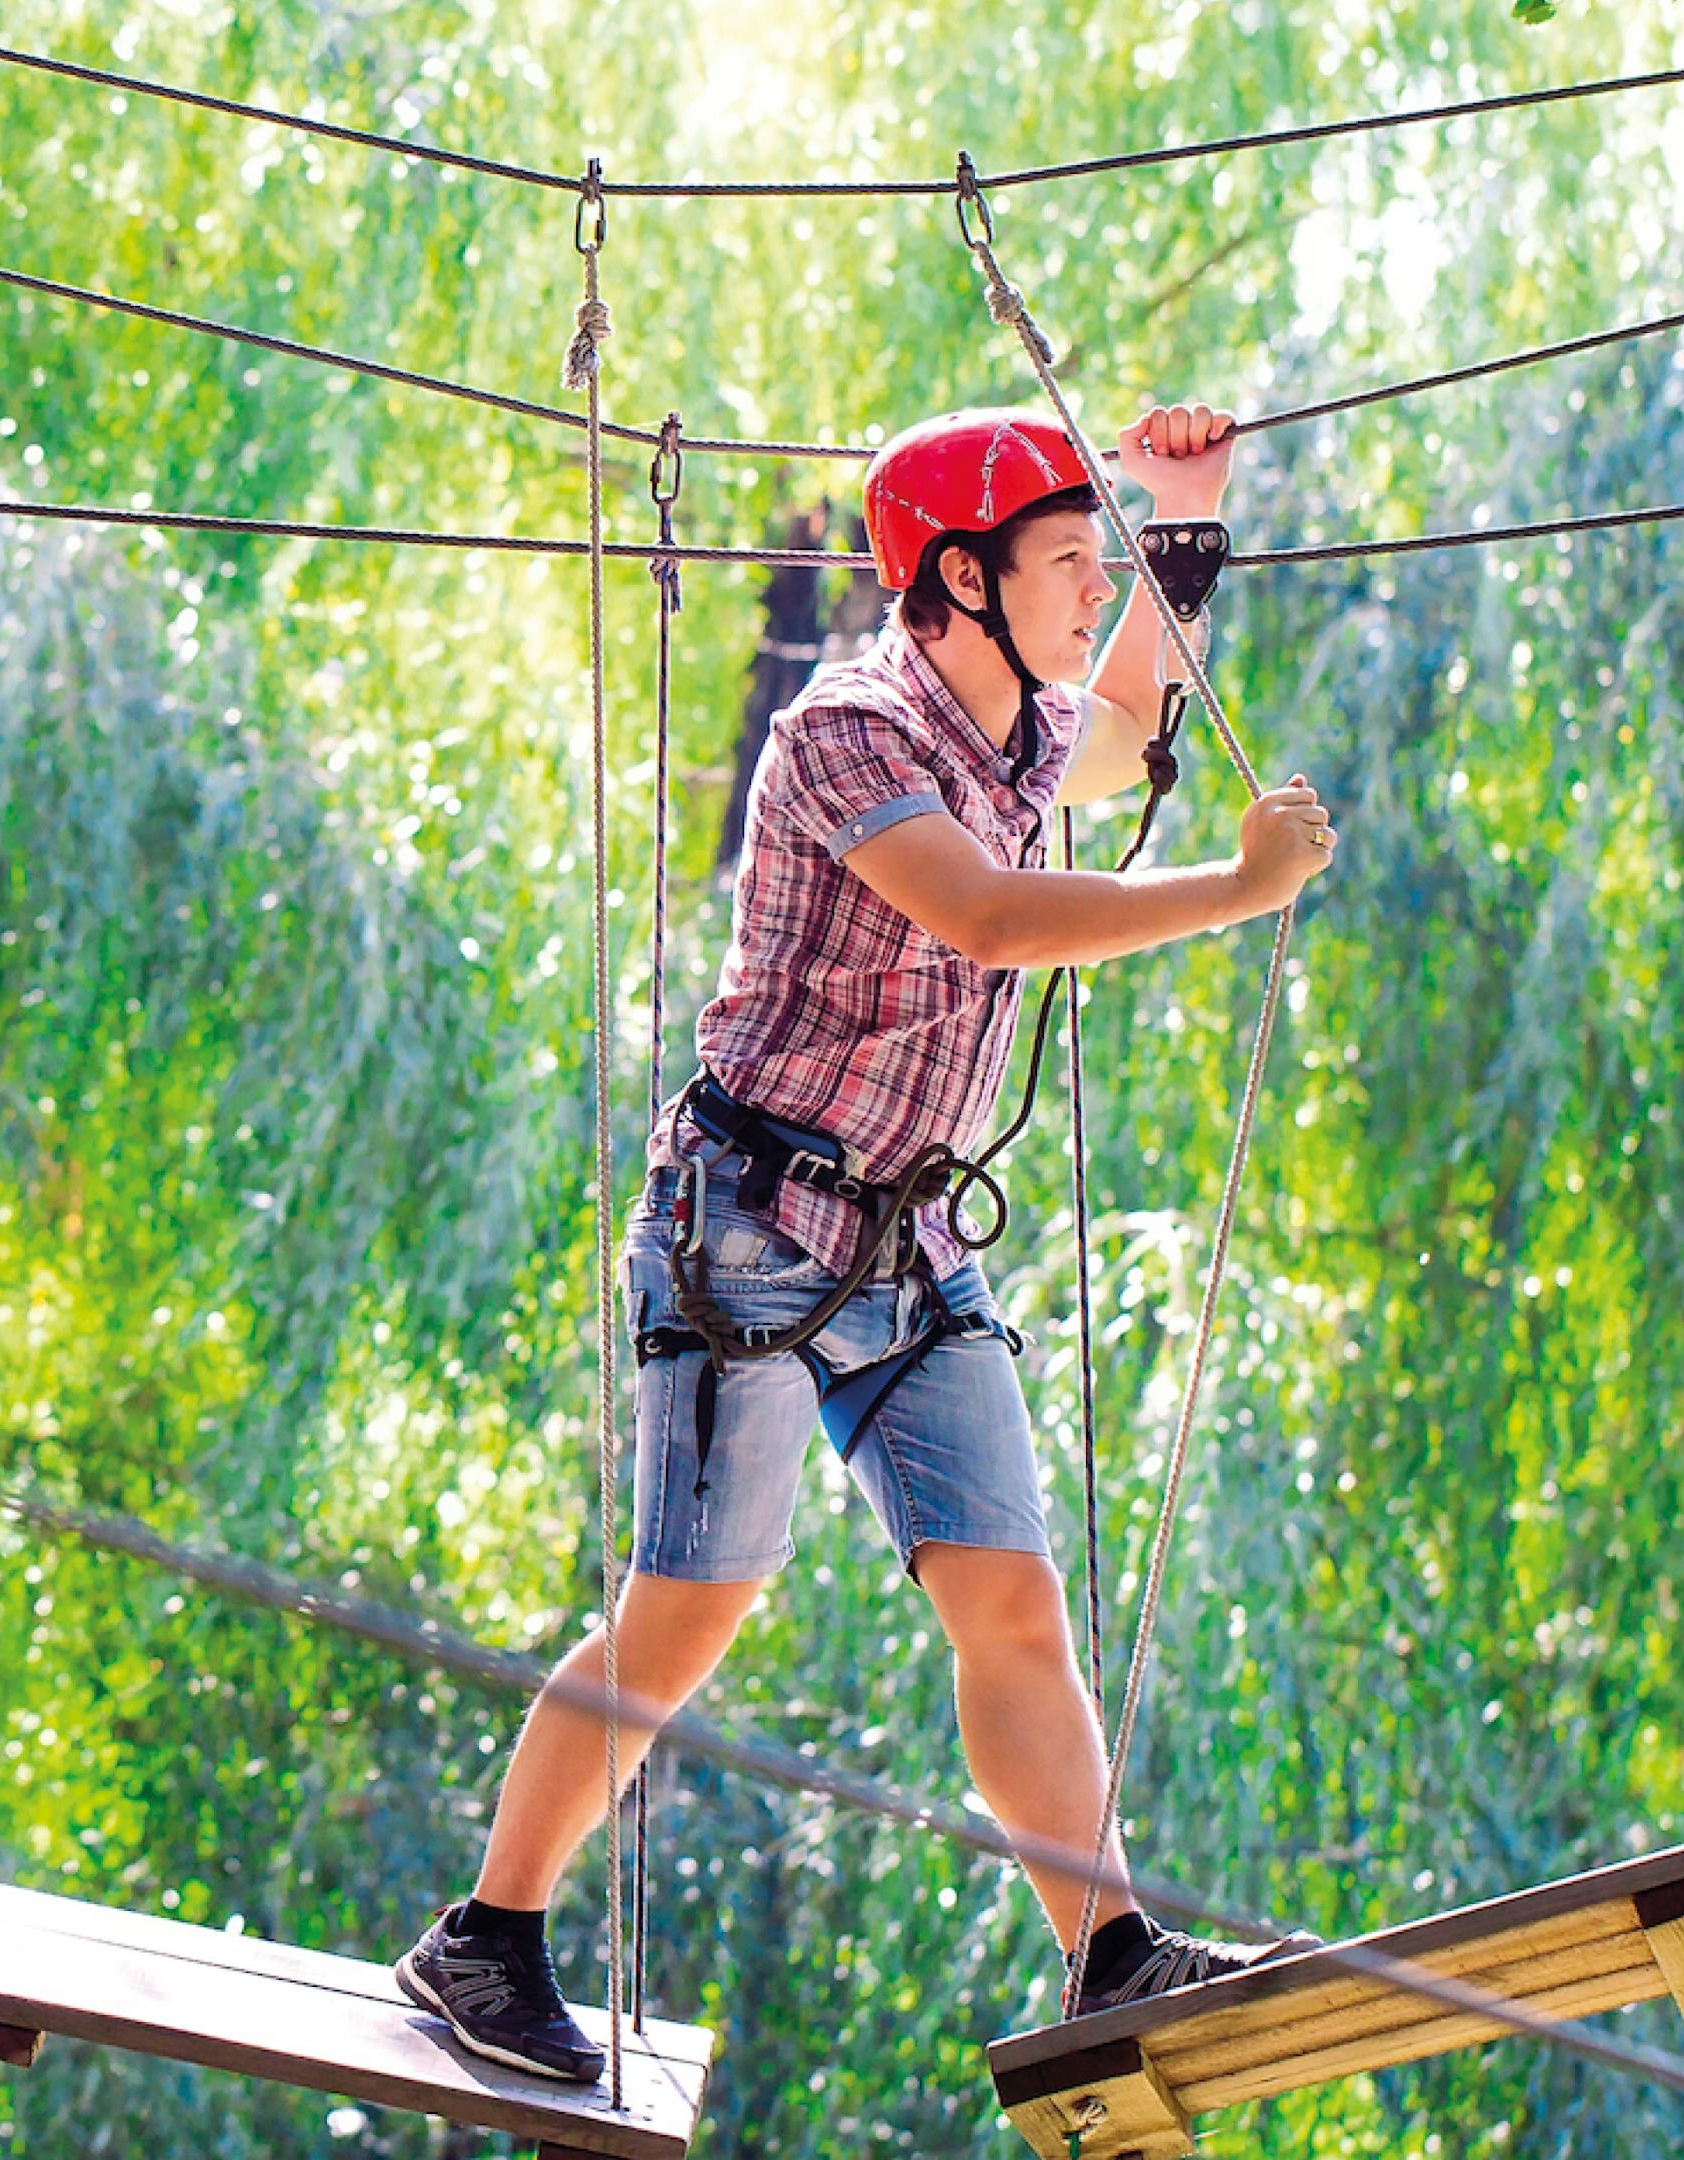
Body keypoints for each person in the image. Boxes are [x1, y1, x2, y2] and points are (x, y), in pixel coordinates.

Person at [396, 404, 1340, 2080]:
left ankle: (1110, 1954)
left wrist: (1184, 514)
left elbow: (1128, 708)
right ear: (957, 580)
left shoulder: (1023, 724)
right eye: (1065, 563)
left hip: (903, 1248)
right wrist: (1237, 889)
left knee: (1012, 1602)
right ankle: (486, 1938)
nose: (1087, 589)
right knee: (689, 1610)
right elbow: (988, 911)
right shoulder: (848, 730)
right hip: (747, 1235)